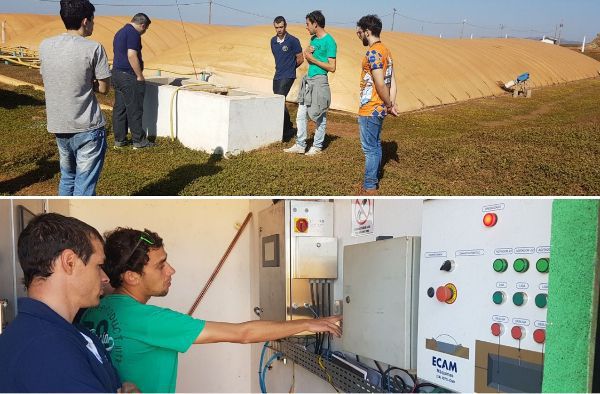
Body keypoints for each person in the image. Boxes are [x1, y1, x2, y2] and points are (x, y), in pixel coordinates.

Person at [81, 227, 342, 393]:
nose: (171, 270)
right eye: (161, 265)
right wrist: (309, 324)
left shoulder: (92, 310)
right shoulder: (151, 322)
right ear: (131, 277)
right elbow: (243, 333)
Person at [0, 213, 126, 392]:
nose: (105, 278)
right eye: (98, 266)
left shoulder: (73, 332)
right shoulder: (47, 349)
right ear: (69, 262)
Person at [39, 0, 110, 196]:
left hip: (59, 126)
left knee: (67, 177)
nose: (93, 25)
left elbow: (48, 77)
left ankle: (64, 225)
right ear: (85, 21)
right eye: (93, 20)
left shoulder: (45, 45)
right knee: (84, 186)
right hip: (88, 127)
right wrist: (89, 83)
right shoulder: (94, 48)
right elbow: (104, 88)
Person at [355, 15, 398, 195]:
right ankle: (375, 176)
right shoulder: (386, 51)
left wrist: (388, 104)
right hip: (379, 107)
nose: (359, 36)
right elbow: (393, 81)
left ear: (367, 31)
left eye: (359, 32)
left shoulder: (373, 53)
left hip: (371, 107)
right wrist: (390, 104)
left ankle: (370, 185)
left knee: (369, 148)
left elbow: (381, 83)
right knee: (376, 144)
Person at [284, 10, 337, 156]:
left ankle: (317, 146)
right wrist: (307, 53)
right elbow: (308, 55)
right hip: (308, 80)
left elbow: (332, 67)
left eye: (308, 24)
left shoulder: (330, 41)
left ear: (315, 23)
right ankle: (300, 144)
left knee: (319, 115)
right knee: (301, 114)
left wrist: (312, 59)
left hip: (320, 81)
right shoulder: (313, 39)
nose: (306, 27)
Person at [112, 13, 154, 149]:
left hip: (117, 74)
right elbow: (131, 55)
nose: (144, 32)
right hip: (128, 76)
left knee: (120, 108)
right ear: (142, 25)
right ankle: (139, 141)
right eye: (145, 29)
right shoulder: (133, 33)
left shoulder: (120, 32)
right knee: (134, 108)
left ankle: (120, 140)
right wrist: (139, 75)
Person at [271, 16, 304, 141]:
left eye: (281, 27)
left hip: (288, 75)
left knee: (280, 98)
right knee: (279, 100)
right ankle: (288, 127)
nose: (279, 29)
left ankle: (287, 130)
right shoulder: (272, 41)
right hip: (277, 75)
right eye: (277, 27)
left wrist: (291, 67)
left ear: (285, 26)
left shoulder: (293, 40)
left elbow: (300, 58)